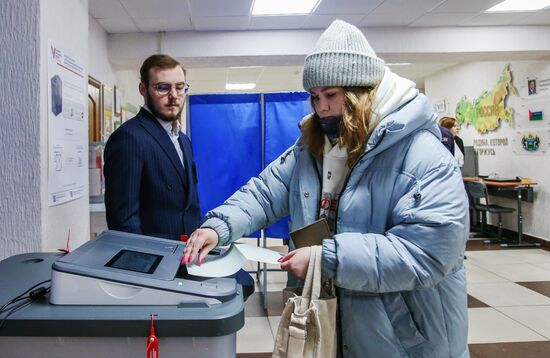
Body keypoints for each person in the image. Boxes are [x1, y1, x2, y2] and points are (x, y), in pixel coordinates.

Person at [184, 20, 469, 357]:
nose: (321, 108)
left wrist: (328, 257)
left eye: (331, 95)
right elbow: (264, 192)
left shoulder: (422, 155)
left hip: (402, 337)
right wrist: (220, 227)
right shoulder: (312, 147)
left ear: (362, 91)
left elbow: (427, 253)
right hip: (331, 317)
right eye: (314, 97)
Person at [104, 54, 201, 240]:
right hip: (156, 261)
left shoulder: (182, 139)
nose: (174, 95)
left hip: (187, 256)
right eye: (163, 88)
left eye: (180, 87)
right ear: (143, 89)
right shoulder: (129, 138)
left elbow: (190, 204)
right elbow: (123, 222)